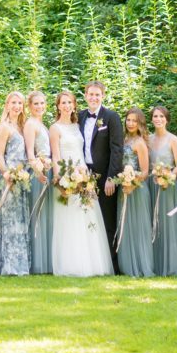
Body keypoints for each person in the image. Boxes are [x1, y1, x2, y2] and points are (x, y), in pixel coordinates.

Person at [50, 91, 113, 277]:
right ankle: (72, 265)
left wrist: (85, 176)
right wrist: (61, 180)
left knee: (87, 217)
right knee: (70, 220)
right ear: (58, 106)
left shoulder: (78, 125)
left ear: (74, 105)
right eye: (63, 102)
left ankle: (92, 264)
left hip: (84, 175)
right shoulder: (55, 128)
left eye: (70, 102)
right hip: (66, 176)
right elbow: (56, 156)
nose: (67, 105)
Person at [78, 80, 123, 272]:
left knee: (107, 221)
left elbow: (117, 149)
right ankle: (90, 264)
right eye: (90, 94)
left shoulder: (111, 117)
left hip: (105, 178)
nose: (94, 97)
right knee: (86, 219)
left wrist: (112, 178)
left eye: (97, 94)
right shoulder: (79, 116)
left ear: (103, 96)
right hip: (83, 176)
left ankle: (112, 265)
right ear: (85, 95)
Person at [149, 105, 177, 277]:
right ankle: (155, 264)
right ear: (151, 119)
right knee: (153, 221)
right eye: (155, 116)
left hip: (168, 185)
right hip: (152, 184)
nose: (158, 119)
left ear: (167, 119)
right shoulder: (148, 139)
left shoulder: (173, 139)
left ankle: (172, 264)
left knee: (168, 224)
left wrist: (169, 177)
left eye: (161, 116)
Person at [0, 91, 31, 276]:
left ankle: (21, 265)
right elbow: (0, 154)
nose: (17, 106)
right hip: (9, 177)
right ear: (7, 105)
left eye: (20, 103)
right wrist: (6, 173)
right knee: (9, 220)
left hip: (22, 177)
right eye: (13, 102)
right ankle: (9, 266)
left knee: (20, 220)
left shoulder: (22, 125)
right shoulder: (5, 127)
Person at [116, 108, 154, 277]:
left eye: (134, 121)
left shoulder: (140, 142)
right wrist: (124, 182)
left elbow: (145, 171)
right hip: (123, 188)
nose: (130, 123)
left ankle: (141, 265)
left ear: (140, 124)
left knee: (139, 228)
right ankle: (127, 266)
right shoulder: (123, 140)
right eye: (128, 120)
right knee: (126, 226)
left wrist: (133, 184)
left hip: (137, 189)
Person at [24, 90, 54, 275]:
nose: (40, 107)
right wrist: (38, 171)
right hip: (37, 174)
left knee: (45, 215)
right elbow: (29, 152)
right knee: (37, 214)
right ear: (30, 106)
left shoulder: (42, 124)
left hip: (46, 171)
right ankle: (36, 261)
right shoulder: (30, 124)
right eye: (36, 104)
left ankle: (47, 260)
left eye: (42, 103)